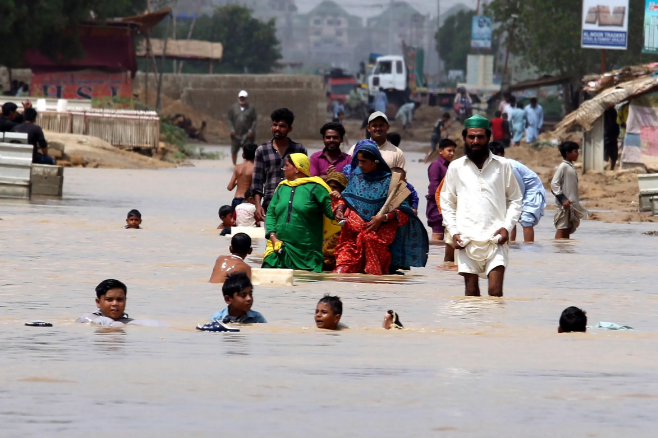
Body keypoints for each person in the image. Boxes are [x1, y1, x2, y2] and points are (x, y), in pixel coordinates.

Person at [440, 115, 522, 297]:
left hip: (496, 237)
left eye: (480, 137)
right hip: (466, 237)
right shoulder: (456, 167)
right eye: (471, 137)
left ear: (488, 138)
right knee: (471, 292)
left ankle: (495, 325)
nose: (475, 141)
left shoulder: (503, 165)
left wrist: (506, 227)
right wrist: (453, 232)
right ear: (464, 138)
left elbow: (516, 199)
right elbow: (446, 201)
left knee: (495, 291)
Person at [333, 140, 428, 275]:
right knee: (341, 274)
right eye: (358, 161)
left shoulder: (390, 182)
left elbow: (403, 211)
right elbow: (346, 197)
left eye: (364, 161)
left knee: (373, 277)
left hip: (376, 236)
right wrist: (340, 209)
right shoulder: (356, 176)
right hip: (351, 235)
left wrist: (383, 217)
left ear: (375, 161)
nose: (360, 165)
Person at [263, 154, 337, 272]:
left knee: (306, 284)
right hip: (280, 249)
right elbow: (271, 213)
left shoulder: (316, 188)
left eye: (287, 165)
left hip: (307, 254)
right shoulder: (282, 188)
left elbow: (332, 214)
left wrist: (338, 201)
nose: (284, 168)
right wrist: (273, 237)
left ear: (297, 168)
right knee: (268, 273)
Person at [252, 108, 307, 221]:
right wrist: (258, 206)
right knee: (271, 237)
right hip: (270, 203)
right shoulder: (262, 150)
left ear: (289, 129)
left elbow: (305, 178)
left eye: (282, 126)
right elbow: (257, 182)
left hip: (294, 204)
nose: (277, 128)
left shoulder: (299, 149)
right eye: (275, 125)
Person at [489, 142, 546, 243]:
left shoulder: (510, 166)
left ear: (501, 154)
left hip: (531, 190)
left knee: (526, 219)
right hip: (517, 190)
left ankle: (529, 247)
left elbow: (519, 188)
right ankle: (512, 244)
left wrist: (516, 205)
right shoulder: (495, 167)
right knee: (509, 218)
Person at [76, 279, 167, 327]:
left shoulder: (130, 322)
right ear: (98, 302)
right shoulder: (88, 318)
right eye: (109, 299)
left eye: (120, 300)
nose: (115, 303)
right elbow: (100, 322)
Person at [551, 141, 588, 240]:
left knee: (567, 229)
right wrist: (563, 199)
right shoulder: (563, 166)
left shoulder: (570, 166)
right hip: (564, 205)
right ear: (568, 153)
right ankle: (557, 252)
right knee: (562, 228)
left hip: (570, 204)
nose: (578, 154)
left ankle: (564, 252)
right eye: (575, 151)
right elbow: (554, 184)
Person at [427, 139, 456, 245]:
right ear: (440, 151)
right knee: (438, 234)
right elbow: (434, 186)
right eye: (449, 151)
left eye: (453, 151)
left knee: (449, 234)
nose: (452, 153)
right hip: (437, 205)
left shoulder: (451, 166)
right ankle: (435, 257)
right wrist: (439, 205)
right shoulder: (436, 165)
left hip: (449, 204)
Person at [323, 172, 348, 271]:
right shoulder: (321, 200)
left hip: (337, 252)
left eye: (335, 187)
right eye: (329, 187)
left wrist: (340, 199)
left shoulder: (346, 202)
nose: (331, 190)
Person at [227, 90, 257, 165]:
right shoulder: (233, 108)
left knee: (247, 151)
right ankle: (234, 166)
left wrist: (251, 131)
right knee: (234, 151)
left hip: (247, 135)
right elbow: (229, 119)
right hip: (236, 134)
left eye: (243, 98)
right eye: (241, 98)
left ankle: (246, 166)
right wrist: (232, 130)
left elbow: (254, 120)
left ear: (246, 98)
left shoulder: (251, 108)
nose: (242, 99)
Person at [227, 143, 257, 209]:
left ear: (243, 155)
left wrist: (238, 182)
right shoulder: (254, 169)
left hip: (236, 199)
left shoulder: (237, 167)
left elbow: (229, 187)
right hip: (247, 201)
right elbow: (253, 188)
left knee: (236, 219)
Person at [603, 105, 620, 170]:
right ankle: (606, 167)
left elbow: (616, 123)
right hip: (607, 136)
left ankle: (612, 168)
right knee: (606, 154)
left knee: (614, 155)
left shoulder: (614, 111)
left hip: (613, 136)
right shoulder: (605, 112)